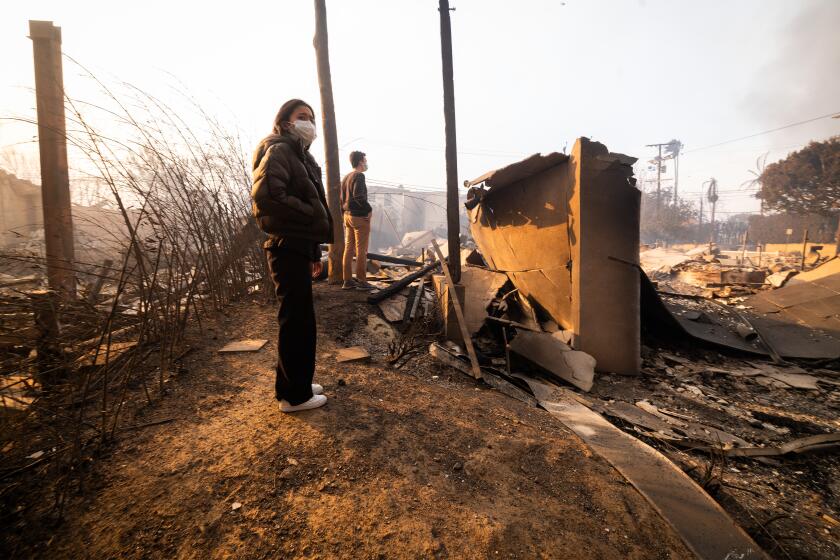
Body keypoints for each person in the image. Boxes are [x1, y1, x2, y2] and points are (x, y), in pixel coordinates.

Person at [251, 99, 333, 413]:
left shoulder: (300, 156)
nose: (308, 123)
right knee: (296, 322)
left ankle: (294, 384)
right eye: (301, 117)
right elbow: (268, 197)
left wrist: (313, 251)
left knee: (301, 321)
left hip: (297, 247)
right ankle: (294, 398)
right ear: (285, 123)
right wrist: (312, 213)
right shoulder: (280, 150)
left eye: (311, 118)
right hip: (285, 247)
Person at [340, 151, 375, 290]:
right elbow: (358, 196)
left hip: (347, 216)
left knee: (348, 248)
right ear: (360, 161)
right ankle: (361, 281)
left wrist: (344, 214)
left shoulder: (346, 177)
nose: (366, 162)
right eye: (365, 159)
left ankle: (347, 281)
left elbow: (341, 199)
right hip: (360, 217)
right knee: (361, 250)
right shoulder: (359, 176)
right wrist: (369, 209)